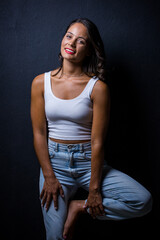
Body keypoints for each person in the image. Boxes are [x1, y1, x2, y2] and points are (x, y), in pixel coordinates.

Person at [31, 18, 152, 240]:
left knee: (143, 201)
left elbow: (97, 142)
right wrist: (49, 176)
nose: (72, 44)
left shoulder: (97, 88)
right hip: (54, 165)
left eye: (81, 41)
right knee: (56, 237)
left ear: (89, 50)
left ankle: (79, 206)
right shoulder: (40, 82)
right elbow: (39, 133)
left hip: (89, 163)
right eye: (69, 36)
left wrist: (93, 192)